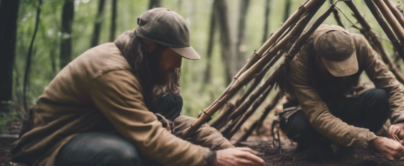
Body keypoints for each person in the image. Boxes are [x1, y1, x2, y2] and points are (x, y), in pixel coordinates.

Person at [11, 8, 265, 166]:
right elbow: (150, 135)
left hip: (96, 127)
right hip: (53, 142)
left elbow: (172, 123)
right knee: (120, 157)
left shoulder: (140, 65)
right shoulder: (112, 72)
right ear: (151, 46)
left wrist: (225, 148)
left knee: (171, 102)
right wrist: (211, 160)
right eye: (175, 53)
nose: (178, 63)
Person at [278, 24, 404, 161]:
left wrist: (401, 121)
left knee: (379, 97)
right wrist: (370, 139)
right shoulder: (298, 62)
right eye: (333, 68)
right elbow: (319, 116)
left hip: (343, 104)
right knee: (305, 133)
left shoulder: (359, 46)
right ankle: (317, 145)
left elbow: (390, 86)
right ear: (318, 57)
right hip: (307, 114)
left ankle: (351, 147)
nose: (340, 74)